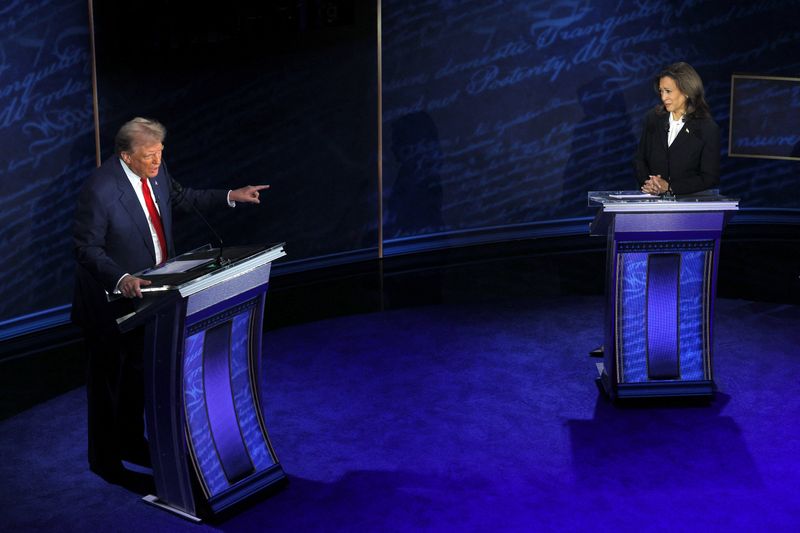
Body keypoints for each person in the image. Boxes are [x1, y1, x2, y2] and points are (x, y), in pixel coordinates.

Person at [71, 117, 268, 488]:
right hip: (109, 305)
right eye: (149, 156)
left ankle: (131, 443)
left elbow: (181, 198)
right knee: (108, 386)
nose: (157, 162)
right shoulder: (100, 189)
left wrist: (230, 195)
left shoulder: (157, 170)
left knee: (137, 379)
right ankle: (105, 462)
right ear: (126, 156)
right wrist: (121, 278)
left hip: (154, 298)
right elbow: (85, 248)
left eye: (161, 153)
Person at [635, 62, 720, 196]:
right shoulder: (653, 118)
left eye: (668, 91)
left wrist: (670, 187)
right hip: (652, 202)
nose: (663, 97)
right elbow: (640, 160)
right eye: (661, 91)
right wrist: (649, 184)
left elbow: (709, 177)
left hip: (688, 206)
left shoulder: (707, 128)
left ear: (686, 91)